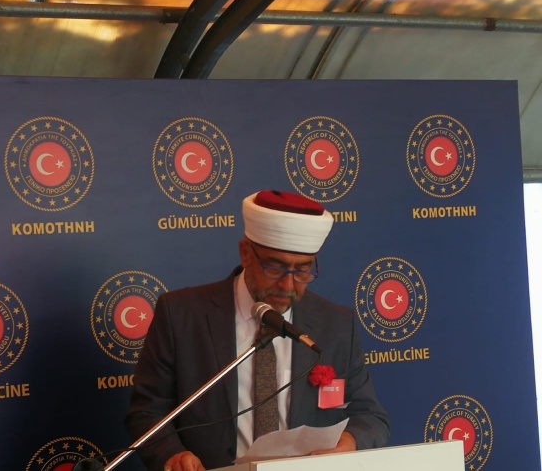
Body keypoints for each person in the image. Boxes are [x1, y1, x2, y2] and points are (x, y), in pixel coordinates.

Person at [125, 190, 390, 471]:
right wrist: (172, 455)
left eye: (303, 271)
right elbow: (147, 412)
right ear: (245, 254)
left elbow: (370, 417)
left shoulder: (336, 324)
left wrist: (348, 442)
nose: (288, 286)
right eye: (274, 268)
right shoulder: (181, 315)